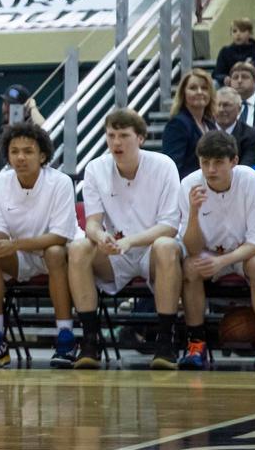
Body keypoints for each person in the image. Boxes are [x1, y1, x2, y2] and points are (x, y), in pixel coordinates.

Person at [69, 109, 181, 369]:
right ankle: (89, 340)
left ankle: (165, 343)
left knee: (166, 247)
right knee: (78, 248)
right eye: (111, 135)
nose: (116, 142)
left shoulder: (163, 165)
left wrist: (131, 241)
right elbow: (93, 222)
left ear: (140, 138)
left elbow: (170, 226)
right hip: (114, 251)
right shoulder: (96, 168)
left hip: (150, 249)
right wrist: (100, 237)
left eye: (123, 135)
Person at [175, 131, 255, 370]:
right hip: (210, 251)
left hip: (249, 248)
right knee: (190, 268)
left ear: (234, 161)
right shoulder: (189, 184)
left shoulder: (251, 180)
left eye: (218, 162)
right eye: (205, 162)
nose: (211, 169)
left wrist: (223, 262)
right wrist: (193, 212)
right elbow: (192, 247)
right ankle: (197, 343)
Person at [0, 123, 78, 368]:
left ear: (42, 155)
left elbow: (60, 237)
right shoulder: (1, 182)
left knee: (53, 252)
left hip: (57, 255)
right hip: (19, 255)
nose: (20, 157)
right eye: (14, 151)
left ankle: (66, 336)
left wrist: (14, 244)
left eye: (28, 151)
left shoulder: (61, 182)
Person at [162, 69, 217, 177]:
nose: (199, 92)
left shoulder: (210, 124)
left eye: (205, 88)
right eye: (193, 88)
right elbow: (173, 167)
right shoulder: (177, 124)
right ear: (183, 93)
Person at [215, 87, 255, 165]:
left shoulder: (252, 135)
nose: (221, 109)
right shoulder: (204, 130)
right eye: (217, 105)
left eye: (226, 105)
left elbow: (246, 167)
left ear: (239, 109)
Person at [214, 17, 255, 83]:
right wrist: (224, 78)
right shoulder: (225, 51)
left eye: (242, 31)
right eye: (234, 31)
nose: (238, 34)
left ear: (250, 33)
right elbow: (217, 73)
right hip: (231, 85)